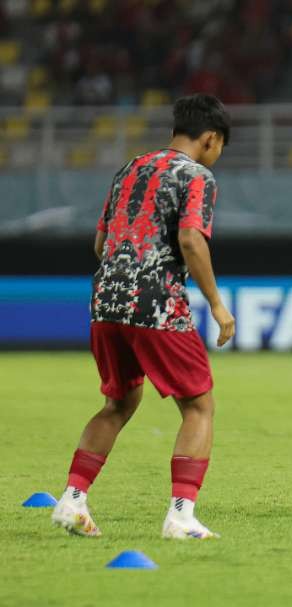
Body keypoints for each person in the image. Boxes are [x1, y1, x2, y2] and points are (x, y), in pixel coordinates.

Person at [51, 93, 235, 540]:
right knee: (198, 405)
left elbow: (100, 242)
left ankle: (72, 500)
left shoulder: (129, 168)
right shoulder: (197, 176)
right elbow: (191, 239)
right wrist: (215, 302)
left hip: (105, 298)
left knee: (119, 402)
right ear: (210, 139)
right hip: (154, 298)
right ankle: (181, 516)